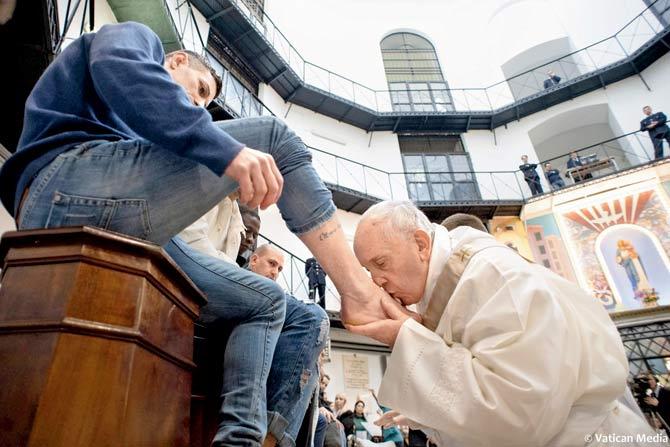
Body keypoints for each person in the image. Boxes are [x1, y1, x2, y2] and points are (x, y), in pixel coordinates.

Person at [0, 22, 388, 446]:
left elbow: (161, 142)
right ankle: (358, 291)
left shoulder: (152, 136)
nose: (202, 107)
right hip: (66, 183)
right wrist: (227, 152)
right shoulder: (135, 38)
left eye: (206, 101)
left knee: (269, 302)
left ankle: (244, 439)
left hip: (122, 219)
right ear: (176, 61)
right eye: (202, 89)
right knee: (273, 138)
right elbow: (122, 71)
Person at [349, 200, 657, 446]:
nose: (376, 280)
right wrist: (424, 414)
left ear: (420, 244)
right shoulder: (452, 284)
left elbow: (520, 415)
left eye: (381, 263)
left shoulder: (494, 277)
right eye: (368, 269)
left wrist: (405, 338)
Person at [178, 195, 330, 446]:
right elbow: (194, 249)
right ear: (254, 260)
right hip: (203, 292)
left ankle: (268, 438)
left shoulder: (234, 217)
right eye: (272, 264)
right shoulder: (203, 188)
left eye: (280, 269)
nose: (249, 238)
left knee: (311, 363)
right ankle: (262, 440)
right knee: (311, 317)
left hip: (225, 303)